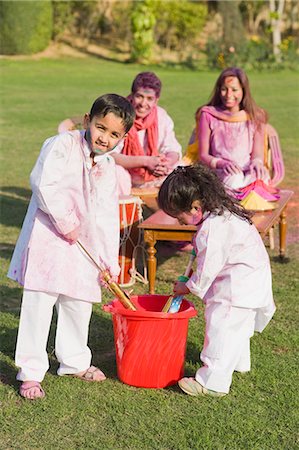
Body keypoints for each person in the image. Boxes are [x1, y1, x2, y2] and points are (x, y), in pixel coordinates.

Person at [8, 94, 135, 400]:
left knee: (78, 302)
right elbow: (44, 183)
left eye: (114, 134)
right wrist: (66, 222)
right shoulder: (61, 144)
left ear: (123, 138)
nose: (104, 138)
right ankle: (30, 371)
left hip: (85, 246)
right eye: (100, 128)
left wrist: (109, 262)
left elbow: (105, 216)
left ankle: (74, 361)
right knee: (39, 304)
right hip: (49, 237)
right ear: (87, 121)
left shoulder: (109, 167)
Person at [158, 164, 276, 396]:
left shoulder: (212, 228)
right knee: (237, 329)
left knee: (221, 327)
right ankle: (239, 363)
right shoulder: (219, 215)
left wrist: (188, 286)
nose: (178, 221)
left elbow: (206, 270)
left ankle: (212, 382)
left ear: (195, 207)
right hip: (250, 280)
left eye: (178, 216)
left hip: (238, 287)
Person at [191, 67, 270, 190]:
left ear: (244, 91)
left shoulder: (255, 116)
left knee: (261, 178)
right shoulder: (208, 115)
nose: (229, 95)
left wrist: (257, 162)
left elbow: (257, 153)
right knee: (234, 179)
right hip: (222, 172)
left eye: (234, 90)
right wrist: (222, 163)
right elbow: (203, 155)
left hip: (247, 170)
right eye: (224, 89)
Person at [111, 71, 182, 195]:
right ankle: (125, 211)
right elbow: (112, 155)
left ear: (156, 100)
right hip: (128, 173)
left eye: (149, 99)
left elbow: (172, 148)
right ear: (132, 95)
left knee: (182, 170)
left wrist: (165, 163)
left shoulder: (161, 116)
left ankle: (169, 212)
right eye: (139, 96)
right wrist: (146, 161)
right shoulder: (120, 115)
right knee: (117, 173)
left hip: (154, 172)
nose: (143, 104)